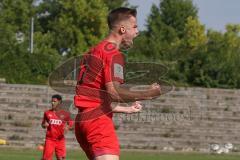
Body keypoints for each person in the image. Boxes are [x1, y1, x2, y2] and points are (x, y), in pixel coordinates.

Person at [74, 7, 161, 160]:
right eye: (134, 27)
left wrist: (128, 109)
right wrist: (149, 94)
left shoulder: (94, 51)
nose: (137, 31)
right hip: (98, 123)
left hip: (83, 121)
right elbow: (114, 92)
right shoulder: (113, 53)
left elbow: (95, 97)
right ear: (122, 29)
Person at [41, 94, 74, 160]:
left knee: (61, 158)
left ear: (59, 102)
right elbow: (43, 124)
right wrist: (44, 125)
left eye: (54, 101)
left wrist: (68, 127)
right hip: (50, 140)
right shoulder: (47, 113)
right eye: (52, 101)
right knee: (46, 159)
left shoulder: (66, 114)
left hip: (60, 140)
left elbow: (72, 126)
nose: (52, 103)